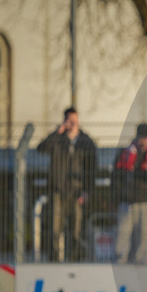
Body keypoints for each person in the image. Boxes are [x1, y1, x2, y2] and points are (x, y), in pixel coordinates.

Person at [37, 107, 97, 261]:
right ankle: (54, 261)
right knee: (55, 229)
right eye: (69, 121)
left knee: (75, 229)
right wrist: (57, 132)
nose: (73, 124)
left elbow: (92, 169)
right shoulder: (58, 140)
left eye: (75, 121)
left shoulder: (86, 141)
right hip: (58, 190)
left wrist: (87, 191)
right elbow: (41, 148)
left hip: (77, 192)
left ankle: (74, 260)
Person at [113, 123, 147, 264]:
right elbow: (115, 175)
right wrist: (120, 195)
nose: (142, 142)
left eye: (145, 138)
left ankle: (140, 273)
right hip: (127, 203)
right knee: (121, 242)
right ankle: (119, 272)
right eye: (140, 138)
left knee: (144, 243)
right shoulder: (125, 153)